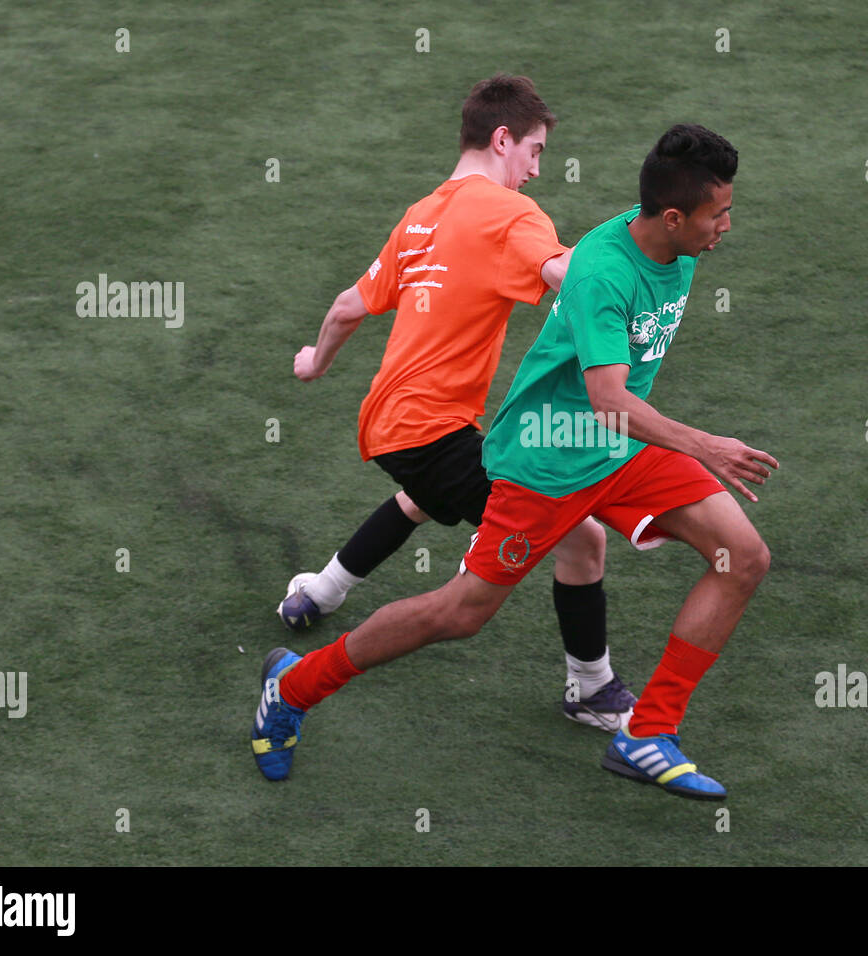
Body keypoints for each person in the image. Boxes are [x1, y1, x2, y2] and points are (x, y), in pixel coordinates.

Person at [253, 124, 776, 800]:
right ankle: (291, 686)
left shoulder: (683, 251)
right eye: (718, 213)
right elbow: (609, 399)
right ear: (673, 217)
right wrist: (708, 445)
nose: (727, 225)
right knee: (459, 614)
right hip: (549, 461)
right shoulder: (602, 271)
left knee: (743, 557)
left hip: (619, 452)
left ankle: (647, 732)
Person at [273, 73, 635, 736]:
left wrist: (312, 364)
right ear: (503, 140)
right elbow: (563, 273)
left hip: (389, 426)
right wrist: (624, 279)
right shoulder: (510, 214)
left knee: (421, 495)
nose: (535, 169)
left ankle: (320, 591)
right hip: (430, 432)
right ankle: (590, 688)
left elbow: (348, 306)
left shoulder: (419, 215)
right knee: (580, 536)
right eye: (535, 151)